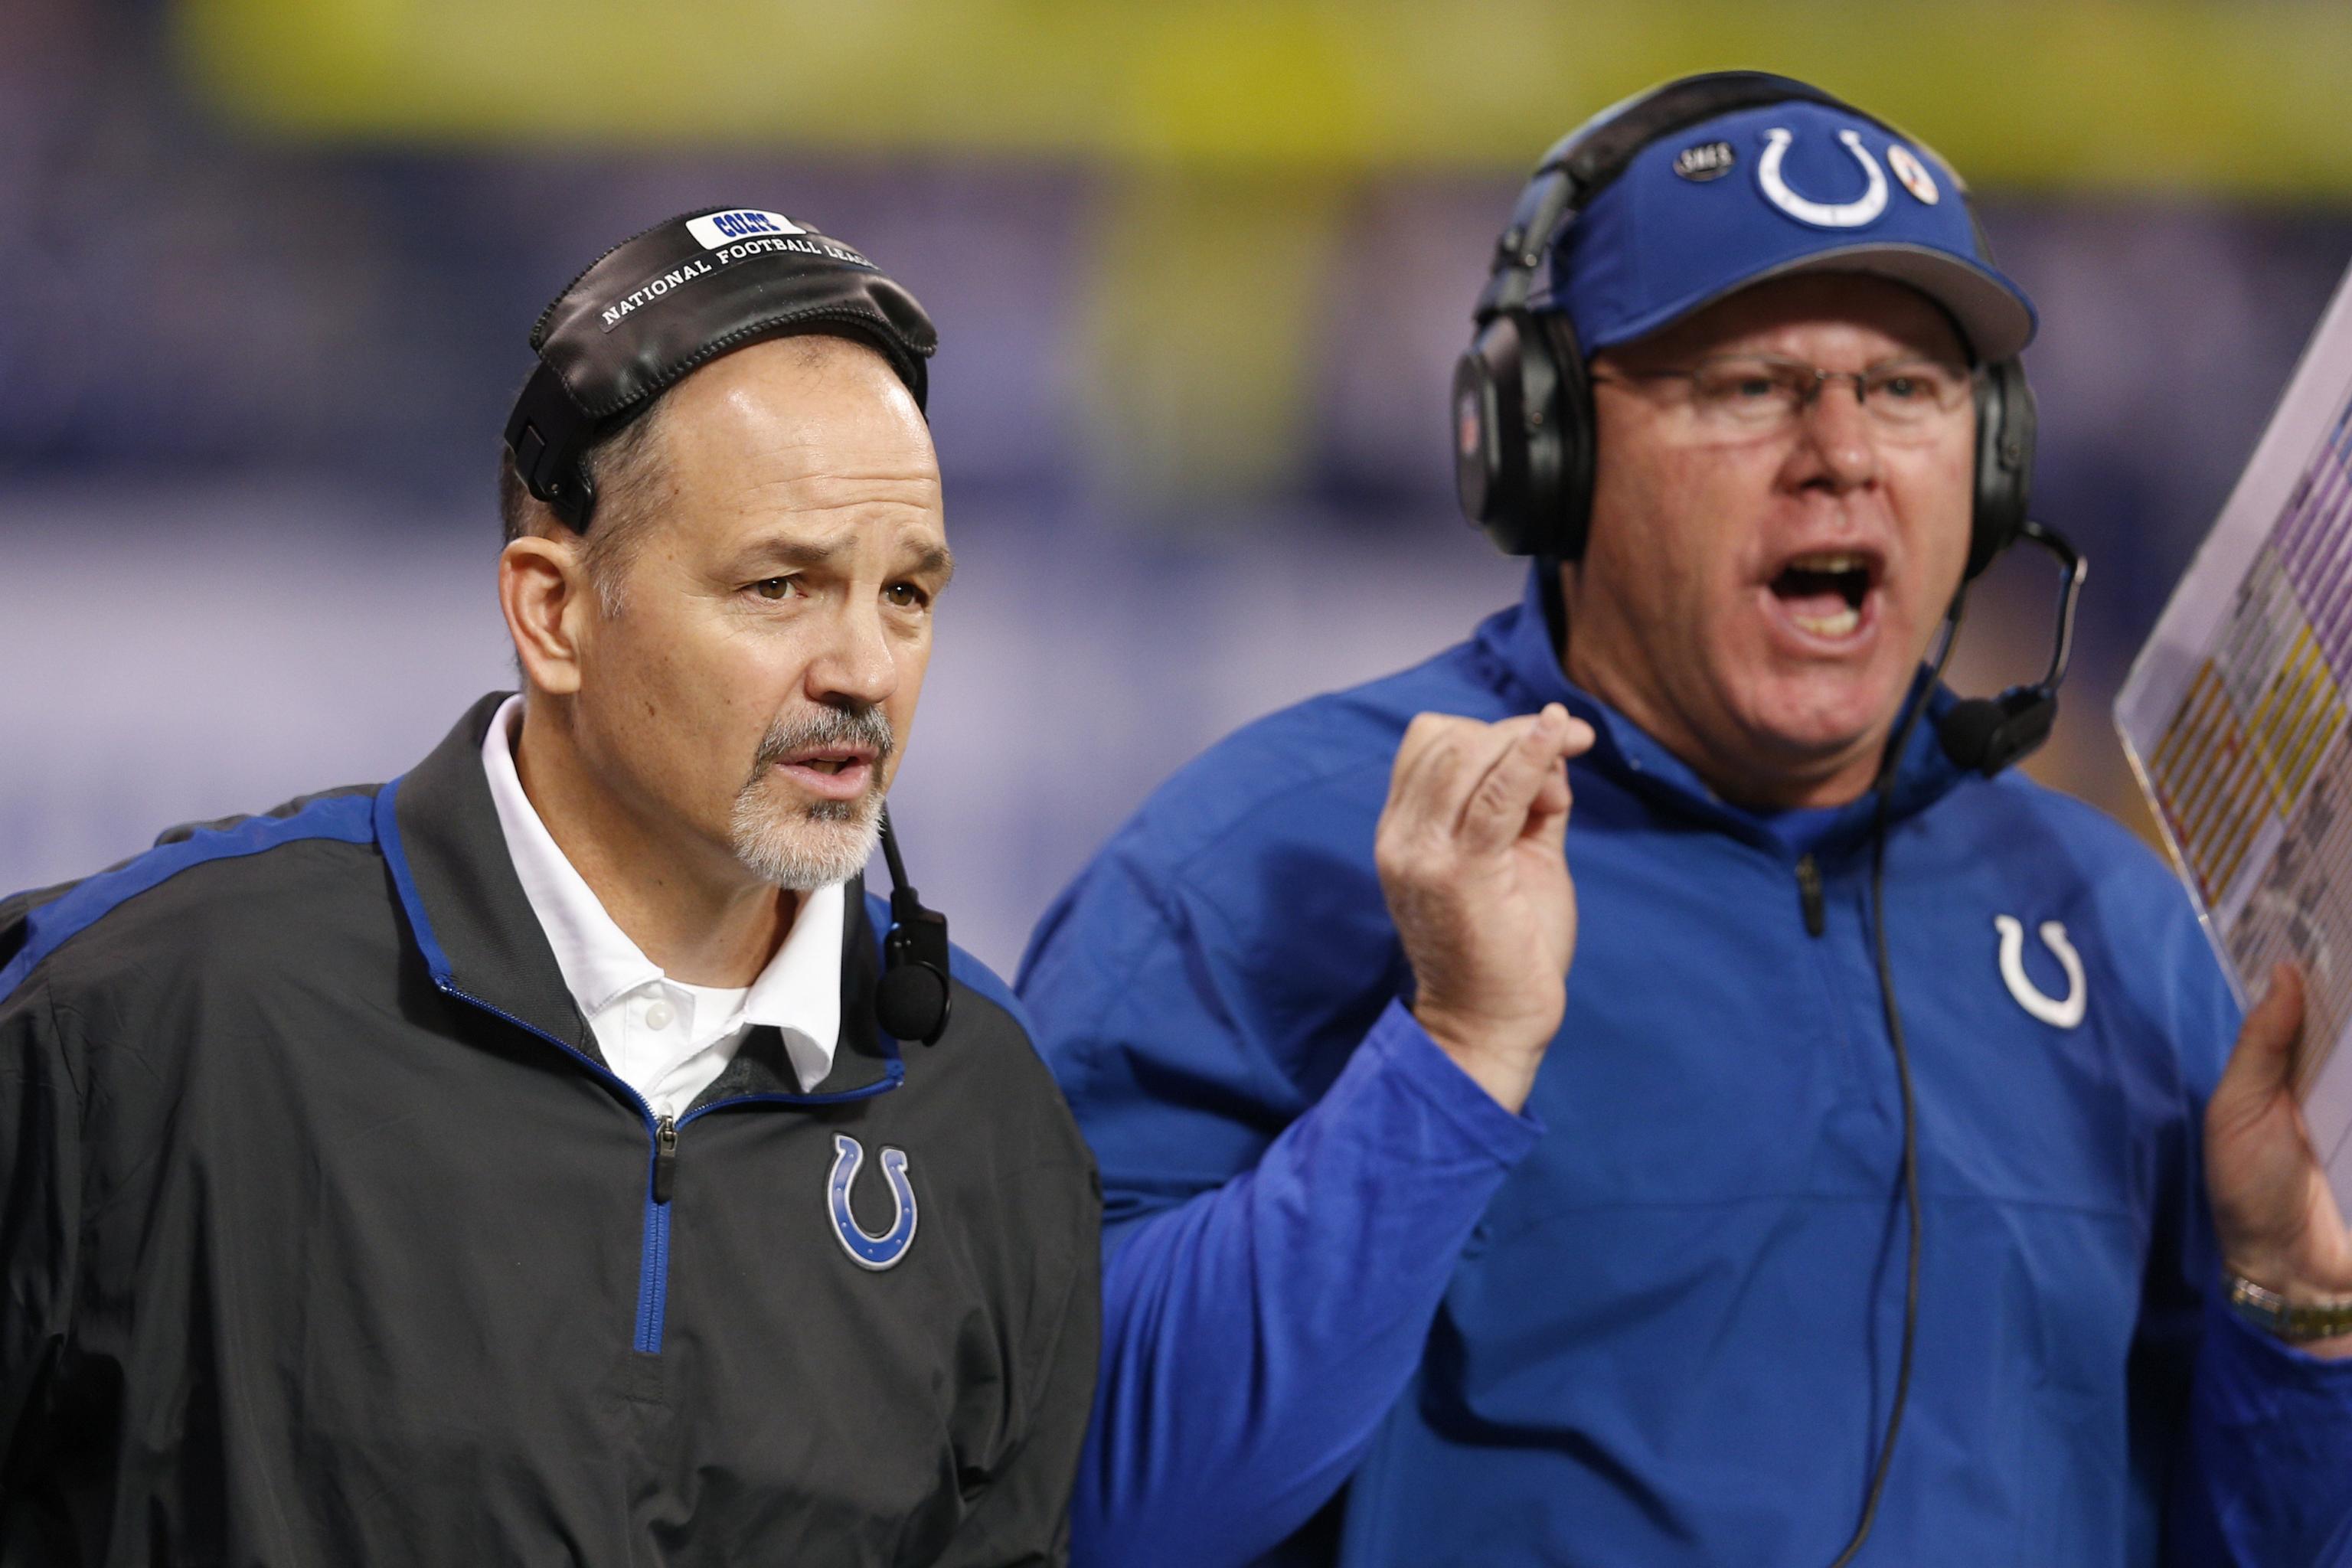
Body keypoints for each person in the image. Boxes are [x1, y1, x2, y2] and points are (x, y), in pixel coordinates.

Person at [1018, 75, 2352, 1566]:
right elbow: (1085, 1498)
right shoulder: (1265, 861)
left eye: (1908, 389)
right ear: (1547, 452)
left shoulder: (2127, 934)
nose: (1841, 450)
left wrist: (2295, 1304)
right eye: (1751, 386)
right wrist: (1454, 1058)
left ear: (1989, 467)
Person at [0, 208, 1099, 1566]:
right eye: (779, 587)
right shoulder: (147, 1011)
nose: (864, 671)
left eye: (909, 595)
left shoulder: (980, 1105)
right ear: (554, 612)